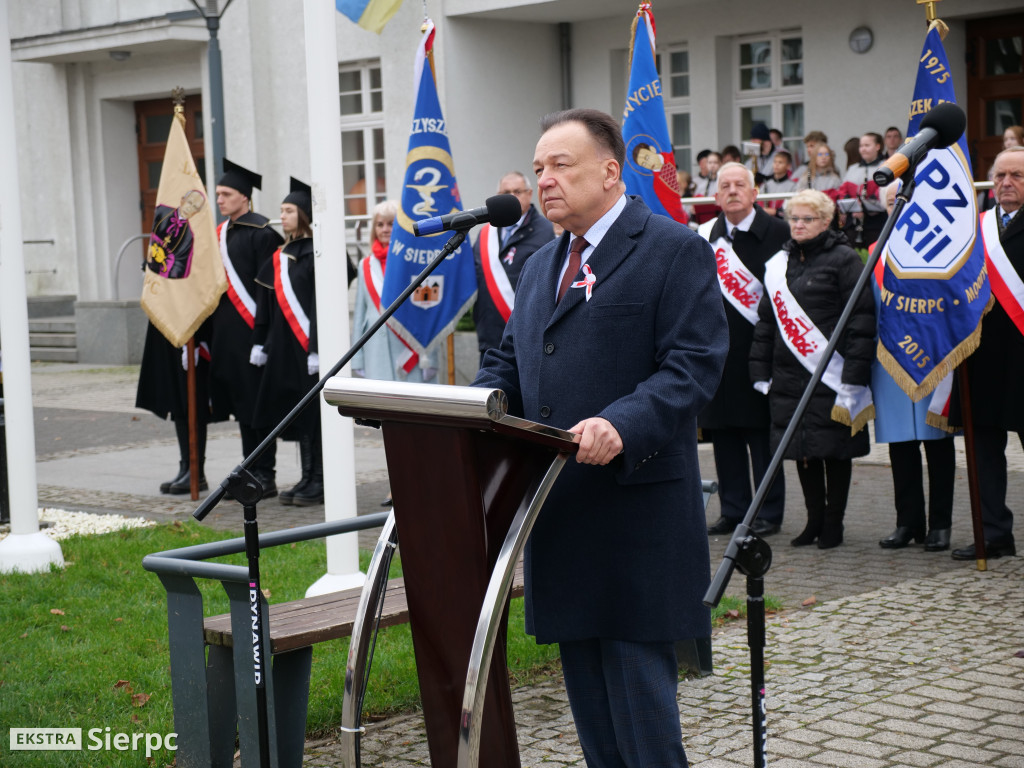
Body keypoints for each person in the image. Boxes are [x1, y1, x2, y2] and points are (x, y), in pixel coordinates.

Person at [474, 108, 728, 767]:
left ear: (611, 172)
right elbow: (509, 362)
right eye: (537, 169)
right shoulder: (539, 264)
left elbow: (693, 365)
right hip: (562, 515)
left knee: (645, 729)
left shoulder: (673, 249)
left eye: (561, 165)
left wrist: (622, 421)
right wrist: (469, 406)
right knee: (597, 731)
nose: (545, 180)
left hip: (635, 514)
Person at [750, 190, 875, 549]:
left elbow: (860, 322)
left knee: (834, 450)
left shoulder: (845, 259)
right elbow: (767, 323)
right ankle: (813, 521)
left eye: (807, 219)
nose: (799, 225)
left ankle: (833, 524)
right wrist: (759, 370)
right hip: (789, 373)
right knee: (802, 450)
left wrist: (853, 377)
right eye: (794, 219)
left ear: (825, 221)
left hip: (832, 374)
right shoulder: (780, 263)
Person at [698, 162, 788, 538]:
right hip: (718, 354)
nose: (732, 191)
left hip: (762, 352)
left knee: (761, 438)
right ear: (716, 196)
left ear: (754, 193)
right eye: (725, 186)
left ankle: (768, 512)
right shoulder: (704, 237)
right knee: (725, 438)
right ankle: (733, 510)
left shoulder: (779, 232)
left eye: (740, 185)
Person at [871, 182, 955, 551]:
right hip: (888, 358)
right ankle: (907, 522)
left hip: (929, 358)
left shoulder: (937, 248)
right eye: (891, 201)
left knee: (937, 444)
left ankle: (940, 525)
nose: (897, 206)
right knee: (901, 447)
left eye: (904, 200)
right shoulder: (875, 250)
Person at [949, 146, 1024, 560]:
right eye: (999, 176)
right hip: (982, 357)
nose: (1005, 183)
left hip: (1022, 355)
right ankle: (994, 533)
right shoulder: (975, 227)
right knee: (984, 451)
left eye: (1016, 176)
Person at [209, 159, 284, 496]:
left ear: (244, 197)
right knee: (241, 405)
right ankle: (248, 468)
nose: (219, 200)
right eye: (218, 194)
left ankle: (265, 473)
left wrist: (263, 338)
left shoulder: (263, 234)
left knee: (258, 406)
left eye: (226, 194)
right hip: (226, 336)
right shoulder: (220, 235)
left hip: (253, 334)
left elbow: (268, 290)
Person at [249, 179, 323, 506]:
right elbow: (268, 304)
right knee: (294, 413)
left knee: (313, 416)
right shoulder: (281, 255)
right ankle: (306, 476)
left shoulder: (316, 252)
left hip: (307, 346)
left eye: (290, 210)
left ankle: (319, 479)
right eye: (281, 210)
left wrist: (318, 347)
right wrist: (261, 342)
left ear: (304, 214)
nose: (284, 215)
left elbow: (320, 304)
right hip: (283, 347)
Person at [472, 171, 554, 363]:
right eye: (505, 192)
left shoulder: (547, 231)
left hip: (529, 338)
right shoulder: (486, 234)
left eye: (517, 191)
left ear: (529, 193)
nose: (511, 196)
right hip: (490, 337)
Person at [351, 200, 438, 383]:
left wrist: (430, 357)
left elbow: (428, 311)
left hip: (410, 350)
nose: (385, 229)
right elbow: (360, 314)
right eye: (380, 224)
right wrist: (357, 358)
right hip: (375, 350)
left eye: (391, 224)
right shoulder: (364, 265)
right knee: (380, 409)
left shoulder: (415, 261)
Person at [840, 133, 886, 248]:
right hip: (854, 222)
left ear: (877, 147)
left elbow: (885, 192)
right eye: (861, 146)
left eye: (867, 145)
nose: (863, 149)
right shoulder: (853, 168)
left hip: (876, 222)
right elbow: (842, 191)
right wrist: (852, 205)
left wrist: (864, 207)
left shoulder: (886, 166)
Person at [760, 149, 798, 216]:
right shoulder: (766, 185)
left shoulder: (793, 186)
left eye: (780, 162)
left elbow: (791, 209)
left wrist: (775, 212)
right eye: (775, 162)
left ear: (788, 166)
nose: (776, 165)